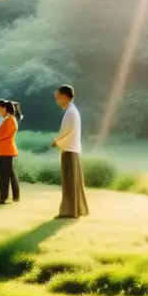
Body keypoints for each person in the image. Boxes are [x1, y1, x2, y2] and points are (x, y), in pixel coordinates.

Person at [52, 85, 89, 219]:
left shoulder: (71, 112)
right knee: (72, 182)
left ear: (64, 97)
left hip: (70, 150)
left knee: (69, 182)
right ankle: (73, 210)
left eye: (58, 98)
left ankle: (69, 211)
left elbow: (66, 132)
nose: (57, 101)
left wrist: (56, 141)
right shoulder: (72, 111)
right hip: (72, 149)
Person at [0, 99, 21, 205]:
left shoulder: (9, 120)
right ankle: (15, 196)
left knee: (4, 175)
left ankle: (3, 197)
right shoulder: (10, 119)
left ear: (5, 108)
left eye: (0, 109)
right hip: (6, 150)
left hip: (6, 150)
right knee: (10, 173)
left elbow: (1, 134)